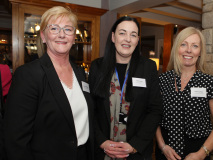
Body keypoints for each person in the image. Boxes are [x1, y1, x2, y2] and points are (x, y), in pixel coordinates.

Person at [4, 6, 94, 160]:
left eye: (68, 29)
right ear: (43, 37)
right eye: (54, 28)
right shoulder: (28, 75)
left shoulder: (79, 73)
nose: (61, 34)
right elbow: (15, 140)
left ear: (73, 38)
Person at [88, 16, 162, 160]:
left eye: (133, 35)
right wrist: (102, 142)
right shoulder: (97, 67)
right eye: (122, 33)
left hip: (136, 153)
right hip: (102, 152)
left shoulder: (148, 67)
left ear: (137, 40)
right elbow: (90, 109)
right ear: (113, 37)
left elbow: (155, 110)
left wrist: (135, 145)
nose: (128, 39)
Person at [155, 27, 213, 160]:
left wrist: (201, 154)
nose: (188, 50)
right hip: (165, 151)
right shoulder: (162, 80)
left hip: (197, 151)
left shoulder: (211, 83)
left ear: (200, 52)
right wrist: (162, 146)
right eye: (183, 44)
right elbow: (154, 116)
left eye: (194, 46)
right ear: (177, 48)